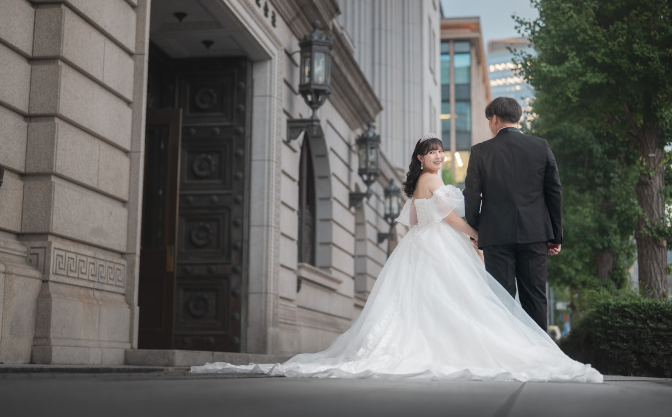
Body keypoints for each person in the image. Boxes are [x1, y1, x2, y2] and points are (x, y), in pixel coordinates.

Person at [191, 134, 601, 382]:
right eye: (433, 152)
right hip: (438, 245)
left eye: (441, 152)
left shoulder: (424, 181)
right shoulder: (430, 179)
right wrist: (478, 234)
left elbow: (415, 217)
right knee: (452, 302)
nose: (439, 157)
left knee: (433, 305)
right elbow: (449, 217)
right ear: (421, 158)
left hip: (425, 246)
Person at [464, 96, 562, 332]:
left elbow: (472, 195)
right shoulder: (541, 146)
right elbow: (554, 191)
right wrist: (555, 236)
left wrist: (477, 229)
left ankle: (507, 357)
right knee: (535, 298)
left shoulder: (480, 152)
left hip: (497, 236)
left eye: (490, 120)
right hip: (536, 234)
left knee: (501, 299)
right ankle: (540, 356)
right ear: (518, 118)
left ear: (495, 119)